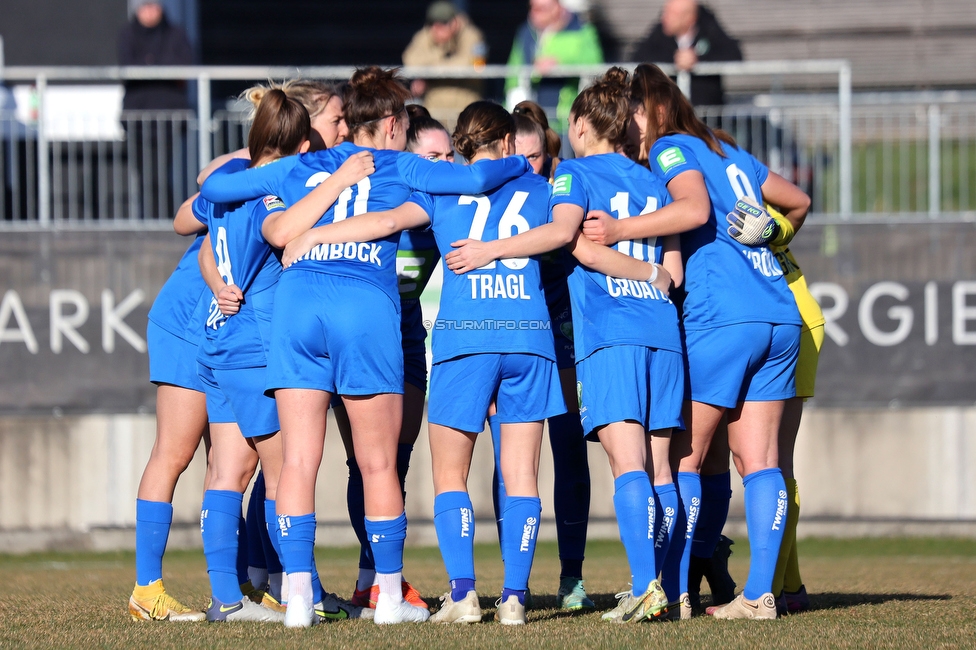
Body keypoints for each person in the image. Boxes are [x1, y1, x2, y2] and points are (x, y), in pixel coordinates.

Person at [199, 67, 531, 626]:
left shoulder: (301, 163)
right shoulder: (400, 164)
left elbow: (213, 188)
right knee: (378, 463)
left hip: (298, 307)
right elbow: (476, 183)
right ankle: (387, 595)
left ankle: (299, 595)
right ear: (395, 123)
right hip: (364, 308)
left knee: (299, 462)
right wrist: (526, 158)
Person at [282, 100, 567, 626]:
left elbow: (385, 220)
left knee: (449, 476)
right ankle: (515, 599)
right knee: (523, 476)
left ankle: (462, 595)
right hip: (529, 336)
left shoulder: (442, 187)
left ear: (460, 145)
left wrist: (316, 234)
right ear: (508, 143)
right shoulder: (541, 188)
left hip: (465, 340)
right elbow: (567, 233)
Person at [444, 69, 682, 624]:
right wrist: (650, 275)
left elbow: (569, 239)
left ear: (577, 126)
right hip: (662, 330)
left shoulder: (573, 173)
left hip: (611, 329)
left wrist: (489, 250)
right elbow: (671, 270)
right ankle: (671, 588)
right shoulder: (654, 180)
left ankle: (647, 587)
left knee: (628, 468)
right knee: (662, 470)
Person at [583, 62, 810, 620]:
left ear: (647, 110)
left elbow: (694, 209)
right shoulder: (730, 151)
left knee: (684, 456)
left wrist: (618, 230)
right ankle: (759, 596)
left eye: (633, 113)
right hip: (779, 314)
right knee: (760, 461)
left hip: (723, 315)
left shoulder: (672, 149)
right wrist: (774, 231)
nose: (630, 126)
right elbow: (799, 201)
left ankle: (676, 589)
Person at [340, 104, 451, 615]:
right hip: (361, 338)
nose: (443, 164)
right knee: (361, 463)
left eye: (450, 155)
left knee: (393, 463)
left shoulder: (440, 212)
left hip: (407, 341)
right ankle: (270, 577)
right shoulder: (382, 201)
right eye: (433, 155)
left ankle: (379, 578)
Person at [118, 0, 195, 218]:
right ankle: (152, 221)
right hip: (137, 119)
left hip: (169, 118)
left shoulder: (175, 34)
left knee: (161, 176)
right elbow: (127, 66)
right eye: (145, 6)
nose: (150, 12)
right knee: (145, 177)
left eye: (154, 6)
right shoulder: (128, 34)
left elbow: (185, 65)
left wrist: (149, 65)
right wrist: (160, 67)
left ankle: (165, 221)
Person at [505, 0, 603, 133]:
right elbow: (513, 70)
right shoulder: (525, 32)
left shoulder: (582, 30)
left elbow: (594, 63)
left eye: (541, 8)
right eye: (532, 7)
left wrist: (559, 64)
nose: (534, 13)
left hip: (566, 122)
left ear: (559, 7)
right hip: (532, 123)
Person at [631, 0, 742, 107]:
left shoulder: (709, 28)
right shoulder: (660, 32)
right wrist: (674, 60)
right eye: (665, 11)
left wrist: (698, 60)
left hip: (704, 114)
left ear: (689, 18)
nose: (664, 17)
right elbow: (638, 57)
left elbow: (734, 54)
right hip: (670, 113)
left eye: (672, 13)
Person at [402, 1, 486, 127]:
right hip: (435, 112)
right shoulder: (427, 34)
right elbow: (410, 59)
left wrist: (430, 69)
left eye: (444, 22)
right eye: (433, 23)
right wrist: (440, 54)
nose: (437, 28)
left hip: (465, 112)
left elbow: (470, 64)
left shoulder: (471, 35)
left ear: (455, 21)